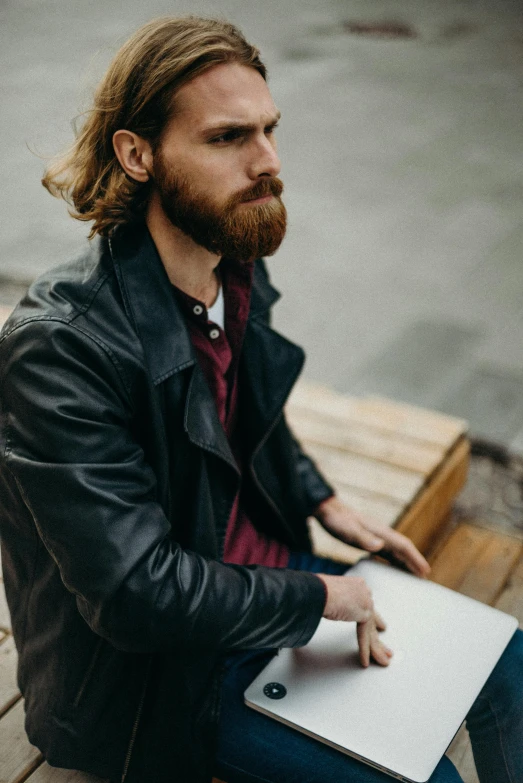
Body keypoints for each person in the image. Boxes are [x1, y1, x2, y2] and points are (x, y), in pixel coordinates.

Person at [0, 16, 521, 783]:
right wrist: (318, 596)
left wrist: (321, 496)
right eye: (227, 138)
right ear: (136, 152)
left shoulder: (229, 265)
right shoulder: (63, 348)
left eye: (269, 130)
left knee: (503, 657)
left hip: (264, 578)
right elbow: (136, 594)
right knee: (424, 776)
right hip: (160, 682)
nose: (268, 162)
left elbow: (240, 411)